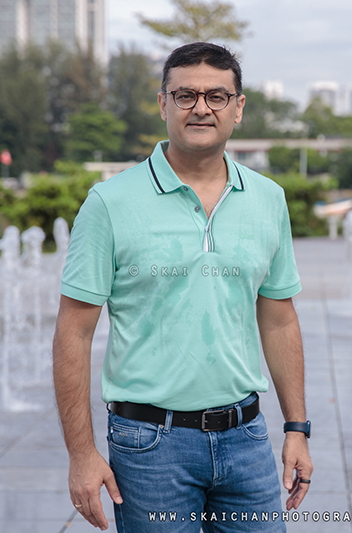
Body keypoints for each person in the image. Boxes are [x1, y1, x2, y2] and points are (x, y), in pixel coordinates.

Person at [52, 42, 313, 533]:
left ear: (238, 108)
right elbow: (73, 332)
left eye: (217, 96)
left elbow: (279, 318)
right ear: (163, 104)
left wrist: (297, 428)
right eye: (186, 95)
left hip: (247, 439)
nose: (201, 107)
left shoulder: (268, 199)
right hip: (150, 445)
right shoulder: (110, 202)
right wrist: (81, 454)